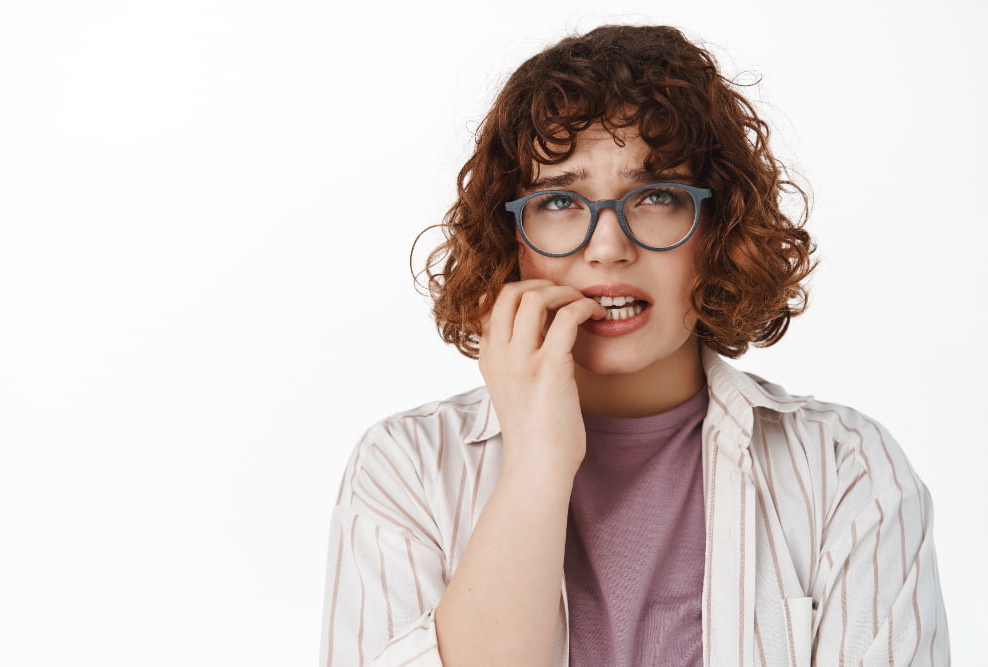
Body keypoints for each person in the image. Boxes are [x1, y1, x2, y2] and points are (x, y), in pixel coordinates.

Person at [320, 25, 950, 666]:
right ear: (510, 237)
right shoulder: (407, 470)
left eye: (655, 196)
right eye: (560, 199)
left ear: (717, 226)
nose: (608, 247)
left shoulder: (847, 470)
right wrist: (538, 460)